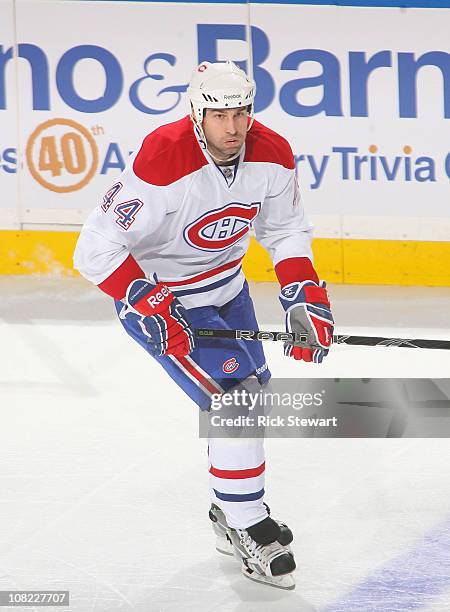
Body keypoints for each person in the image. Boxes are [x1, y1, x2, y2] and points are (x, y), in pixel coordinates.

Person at [74, 60, 334, 590]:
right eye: (220, 116)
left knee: (252, 395)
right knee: (236, 403)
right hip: (164, 301)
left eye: (241, 113)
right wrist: (142, 297)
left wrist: (300, 291)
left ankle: (228, 512)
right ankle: (246, 525)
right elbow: (94, 248)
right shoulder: (164, 157)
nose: (234, 128)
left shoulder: (273, 152)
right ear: (197, 114)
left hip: (228, 290)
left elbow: (284, 229)